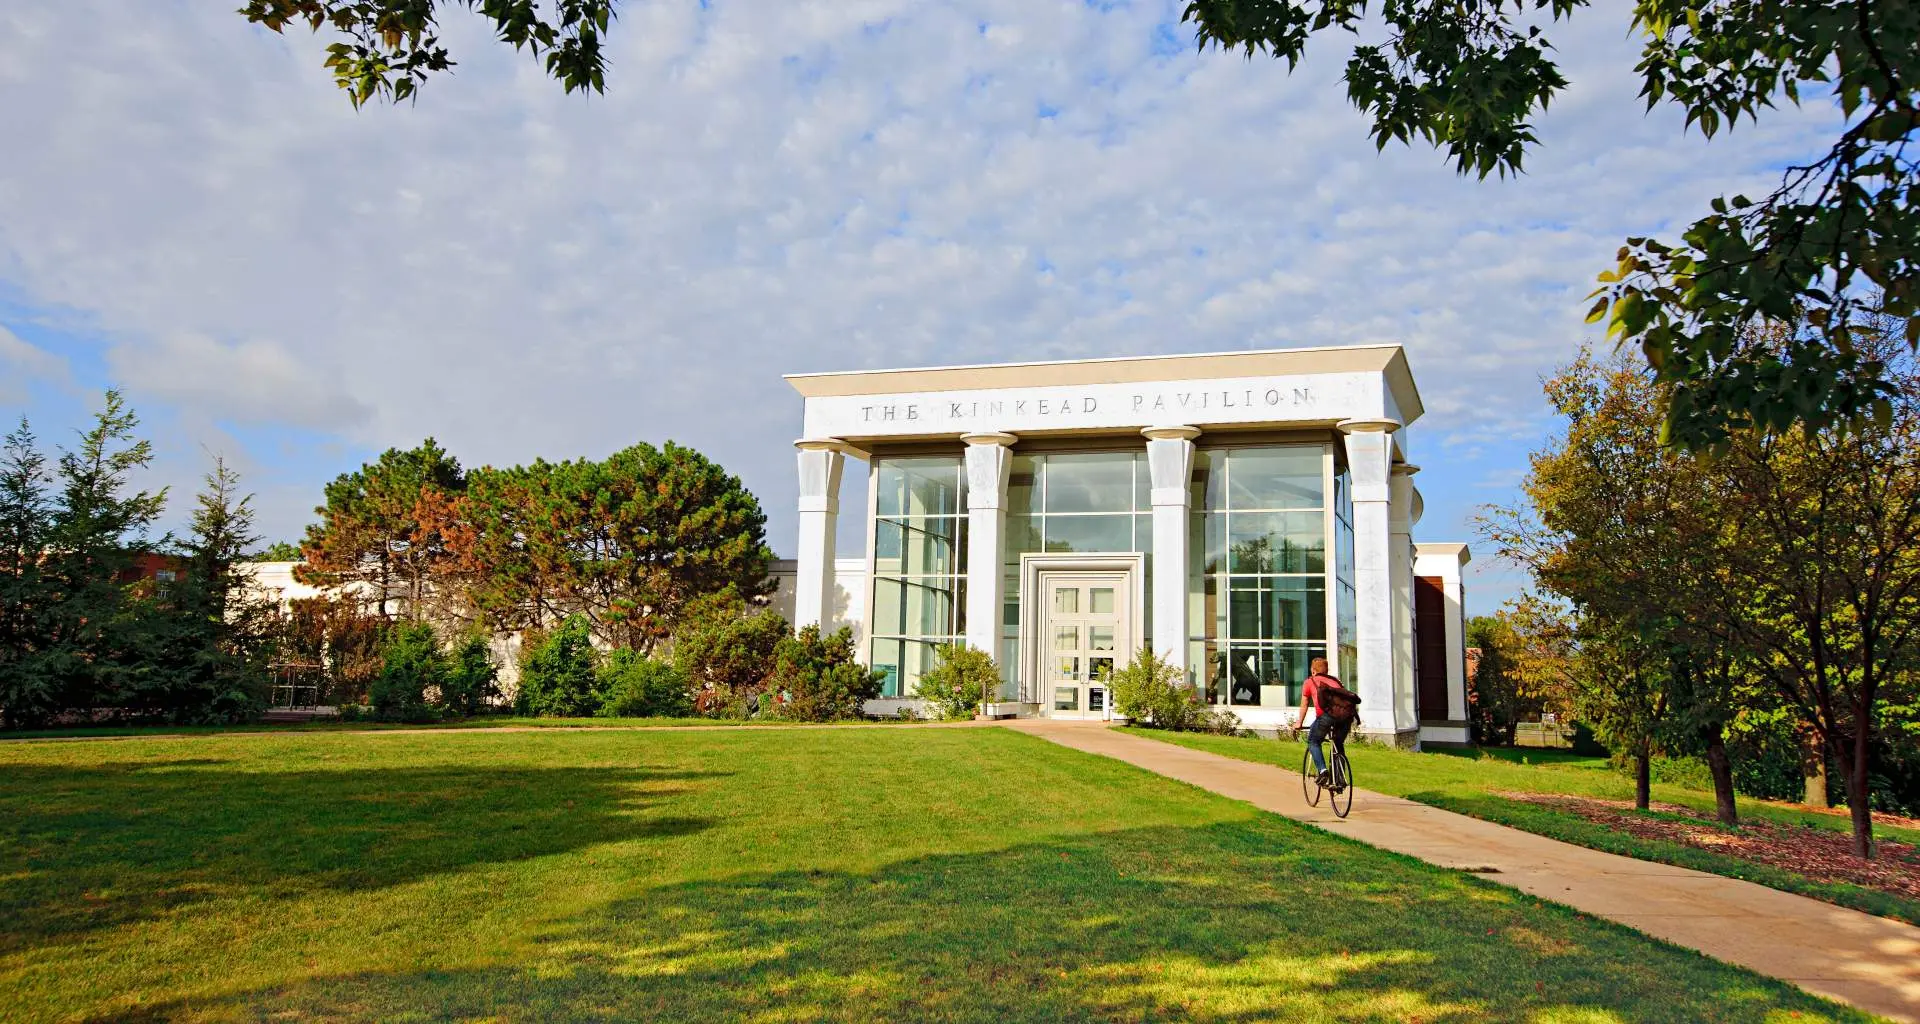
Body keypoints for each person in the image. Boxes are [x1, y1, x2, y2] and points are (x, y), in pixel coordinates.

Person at [1295, 658, 1358, 788]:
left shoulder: (1309, 682)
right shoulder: (1336, 682)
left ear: (1313, 671)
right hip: (1346, 718)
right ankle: (1340, 780)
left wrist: (1299, 723)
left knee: (1313, 741)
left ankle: (1323, 772)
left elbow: (1304, 704)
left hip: (1327, 716)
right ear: (1327, 671)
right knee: (1337, 744)